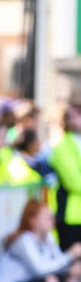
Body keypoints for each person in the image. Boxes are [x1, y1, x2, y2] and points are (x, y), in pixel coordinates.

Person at [49, 104, 81, 251]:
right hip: (71, 216)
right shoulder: (61, 147)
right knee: (72, 266)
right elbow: (74, 183)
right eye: (73, 116)